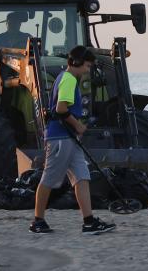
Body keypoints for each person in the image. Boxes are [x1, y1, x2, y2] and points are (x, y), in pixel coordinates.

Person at [31, 46, 116, 234]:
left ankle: (89, 221)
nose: (87, 70)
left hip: (69, 138)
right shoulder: (68, 79)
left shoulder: (65, 78)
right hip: (60, 138)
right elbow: (61, 109)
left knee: (82, 177)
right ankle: (38, 221)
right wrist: (78, 125)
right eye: (87, 66)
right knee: (49, 179)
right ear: (76, 63)